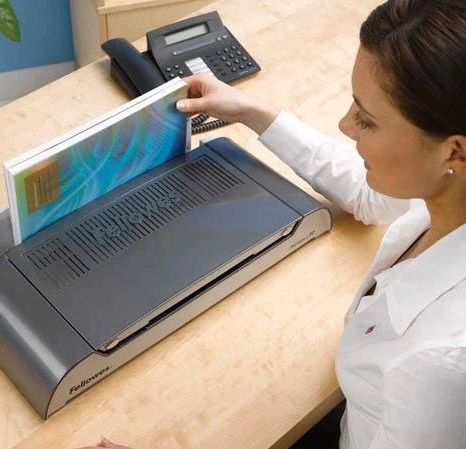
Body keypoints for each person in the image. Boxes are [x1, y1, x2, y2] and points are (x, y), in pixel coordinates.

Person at [77, 1, 466, 448]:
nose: (345, 125)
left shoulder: (440, 367)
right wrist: (250, 111)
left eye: (367, 120)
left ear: (454, 151)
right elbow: (367, 195)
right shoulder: (447, 191)